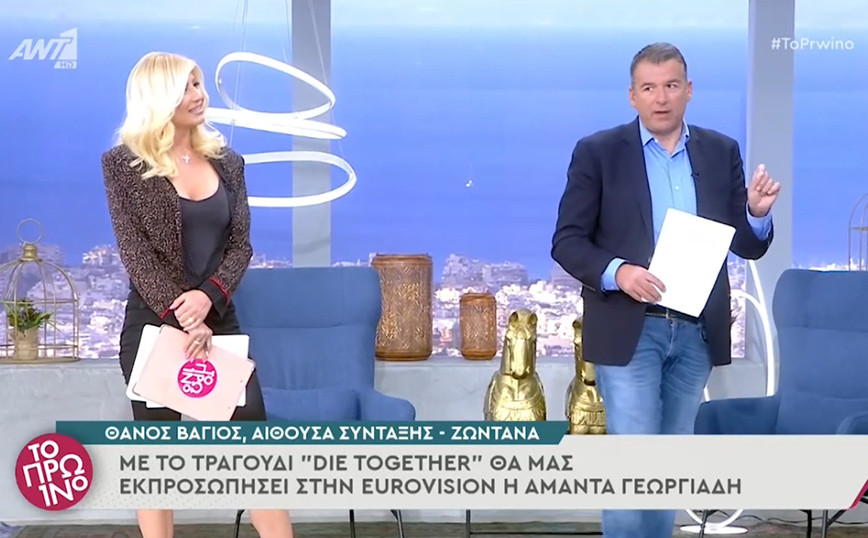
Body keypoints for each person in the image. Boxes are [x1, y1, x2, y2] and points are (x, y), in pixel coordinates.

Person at [551, 42, 780, 538]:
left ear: (688, 91)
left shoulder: (720, 151)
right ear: (632, 95)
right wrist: (619, 272)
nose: (661, 98)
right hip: (629, 329)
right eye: (649, 87)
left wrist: (757, 214)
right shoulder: (598, 152)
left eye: (671, 86)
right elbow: (567, 241)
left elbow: (745, 244)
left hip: (695, 332)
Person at [101, 51, 294, 538]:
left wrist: (208, 298)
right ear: (159, 96)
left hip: (219, 322)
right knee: (157, 462)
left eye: (199, 83)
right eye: (187, 86)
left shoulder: (229, 163)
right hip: (154, 325)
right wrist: (184, 314)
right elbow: (135, 253)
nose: (199, 94)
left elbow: (241, 245)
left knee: (256, 455)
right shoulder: (122, 165)